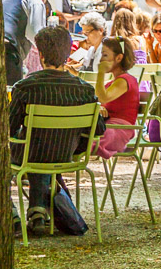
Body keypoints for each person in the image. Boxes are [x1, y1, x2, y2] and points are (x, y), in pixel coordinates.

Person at [9, 26, 98, 237]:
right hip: (67, 154)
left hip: (30, 154)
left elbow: (9, 127)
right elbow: (97, 129)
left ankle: (13, 215)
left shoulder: (25, 87)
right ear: (68, 54)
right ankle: (38, 212)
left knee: (29, 147)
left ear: (40, 54)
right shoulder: (85, 89)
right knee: (43, 149)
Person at [92, 37, 141, 159]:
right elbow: (99, 100)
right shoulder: (112, 83)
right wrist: (100, 108)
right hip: (107, 126)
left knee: (83, 141)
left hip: (119, 130)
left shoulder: (125, 80)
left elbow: (103, 97)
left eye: (105, 55)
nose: (101, 59)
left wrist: (101, 73)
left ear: (118, 58)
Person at [2, 0, 49, 84]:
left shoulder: (9, 0)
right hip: (9, 50)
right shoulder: (36, 1)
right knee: (12, 93)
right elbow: (35, 33)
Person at [69, 12, 109, 76]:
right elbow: (83, 69)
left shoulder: (106, 52)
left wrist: (76, 73)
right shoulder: (92, 50)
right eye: (83, 34)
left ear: (101, 30)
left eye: (87, 33)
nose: (85, 37)